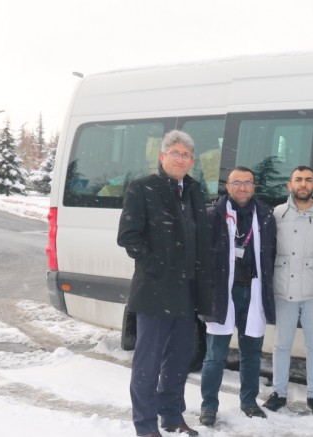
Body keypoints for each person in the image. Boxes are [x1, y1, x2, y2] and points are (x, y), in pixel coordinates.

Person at [117, 130, 213, 437]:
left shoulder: (195, 190)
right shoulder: (143, 188)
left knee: (179, 359)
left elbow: (201, 237)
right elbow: (128, 236)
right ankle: (146, 426)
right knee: (148, 362)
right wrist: (156, 266)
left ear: (192, 161)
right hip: (155, 290)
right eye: (175, 153)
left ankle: (171, 416)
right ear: (162, 156)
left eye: (186, 155)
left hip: (187, 291)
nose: (180, 159)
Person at [199, 166, 277, 426]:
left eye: (247, 182)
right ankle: (209, 406)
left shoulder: (265, 216)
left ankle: (249, 401)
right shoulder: (213, 215)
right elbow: (202, 257)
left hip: (253, 291)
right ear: (227, 186)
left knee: (252, 353)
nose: (242, 187)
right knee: (215, 354)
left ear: (254, 186)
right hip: (223, 292)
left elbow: (271, 254)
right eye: (237, 182)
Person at [262, 166, 313, 415]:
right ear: (289, 185)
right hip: (283, 289)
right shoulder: (277, 214)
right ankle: (279, 393)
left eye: (308, 180)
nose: (303, 184)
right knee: (281, 344)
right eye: (298, 180)